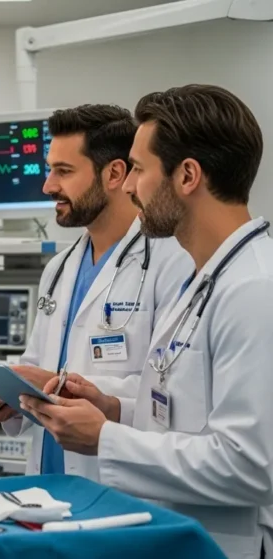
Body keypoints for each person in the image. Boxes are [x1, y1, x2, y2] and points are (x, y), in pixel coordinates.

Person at [21, 85, 273, 559]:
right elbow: (181, 409)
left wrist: (105, 438)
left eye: (137, 169)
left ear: (188, 176)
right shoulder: (208, 280)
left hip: (223, 544)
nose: (130, 187)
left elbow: (251, 466)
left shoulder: (254, 289)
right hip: (174, 534)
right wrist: (112, 406)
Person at [0, 104, 193, 480]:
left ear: (115, 173)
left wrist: (57, 386)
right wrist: (8, 401)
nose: (48, 186)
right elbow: (35, 363)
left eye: (63, 171)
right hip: (48, 481)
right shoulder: (59, 269)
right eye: (50, 169)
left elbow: (174, 390)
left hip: (117, 480)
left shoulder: (172, 262)